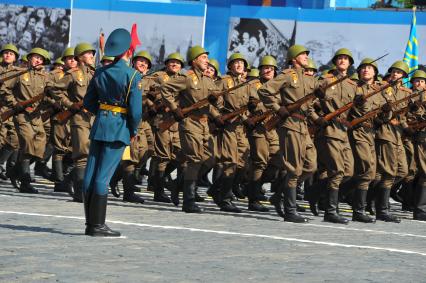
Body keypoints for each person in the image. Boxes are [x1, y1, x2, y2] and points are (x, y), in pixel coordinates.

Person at [82, 28, 142, 237]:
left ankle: (90, 223)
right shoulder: (133, 75)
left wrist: (104, 113)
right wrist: (133, 129)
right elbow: (135, 110)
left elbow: (88, 102)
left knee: (90, 174)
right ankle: (97, 226)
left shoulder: (100, 72)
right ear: (128, 51)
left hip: (100, 125)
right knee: (103, 177)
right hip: (118, 128)